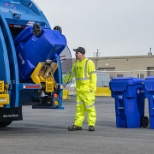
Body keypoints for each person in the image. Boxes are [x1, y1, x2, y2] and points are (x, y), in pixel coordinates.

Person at [68, 47, 97, 131]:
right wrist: (62, 82)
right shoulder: (76, 64)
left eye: (77, 53)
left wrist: (92, 88)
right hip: (80, 91)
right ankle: (78, 124)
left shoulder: (89, 62)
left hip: (88, 91)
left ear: (81, 53)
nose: (75, 54)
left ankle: (91, 124)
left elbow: (93, 77)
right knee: (79, 108)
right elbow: (70, 75)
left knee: (90, 108)